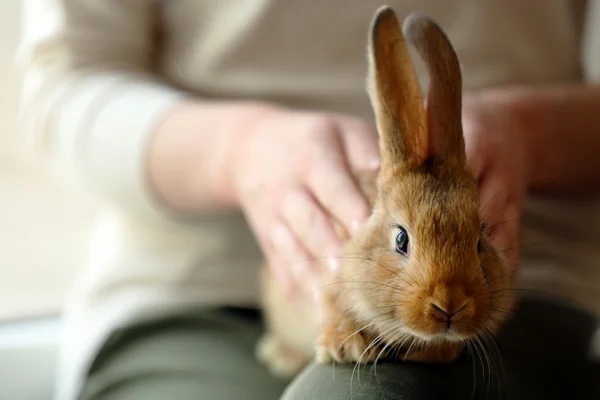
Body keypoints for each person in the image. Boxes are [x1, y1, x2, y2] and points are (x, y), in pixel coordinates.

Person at [16, 0, 600, 399]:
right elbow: (63, 88)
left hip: (528, 285)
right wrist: (239, 150)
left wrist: (527, 136)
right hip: (193, 289)